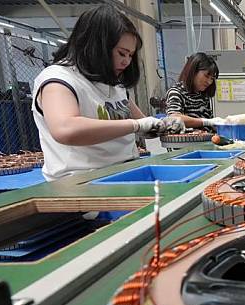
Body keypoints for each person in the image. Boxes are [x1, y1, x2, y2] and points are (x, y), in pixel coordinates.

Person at [32, 5, 183, 181]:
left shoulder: (113, 83)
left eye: (130, 55)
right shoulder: (59, 79)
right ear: (96, 46)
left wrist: (163, 125)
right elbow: (65, 129)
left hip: (126, 172)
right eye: (122, 53)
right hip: (83, 184)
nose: (126, 61)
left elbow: (143, 126)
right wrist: (136, 125)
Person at [166, 52, 220, 129]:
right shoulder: (176, 92)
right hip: (187, 141)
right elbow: (174, 118)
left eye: (212, 78)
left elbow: (209, 126)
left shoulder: (203, 95)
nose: (209, 82)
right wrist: (206, 121)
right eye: (206, 76)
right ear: (193, 71)